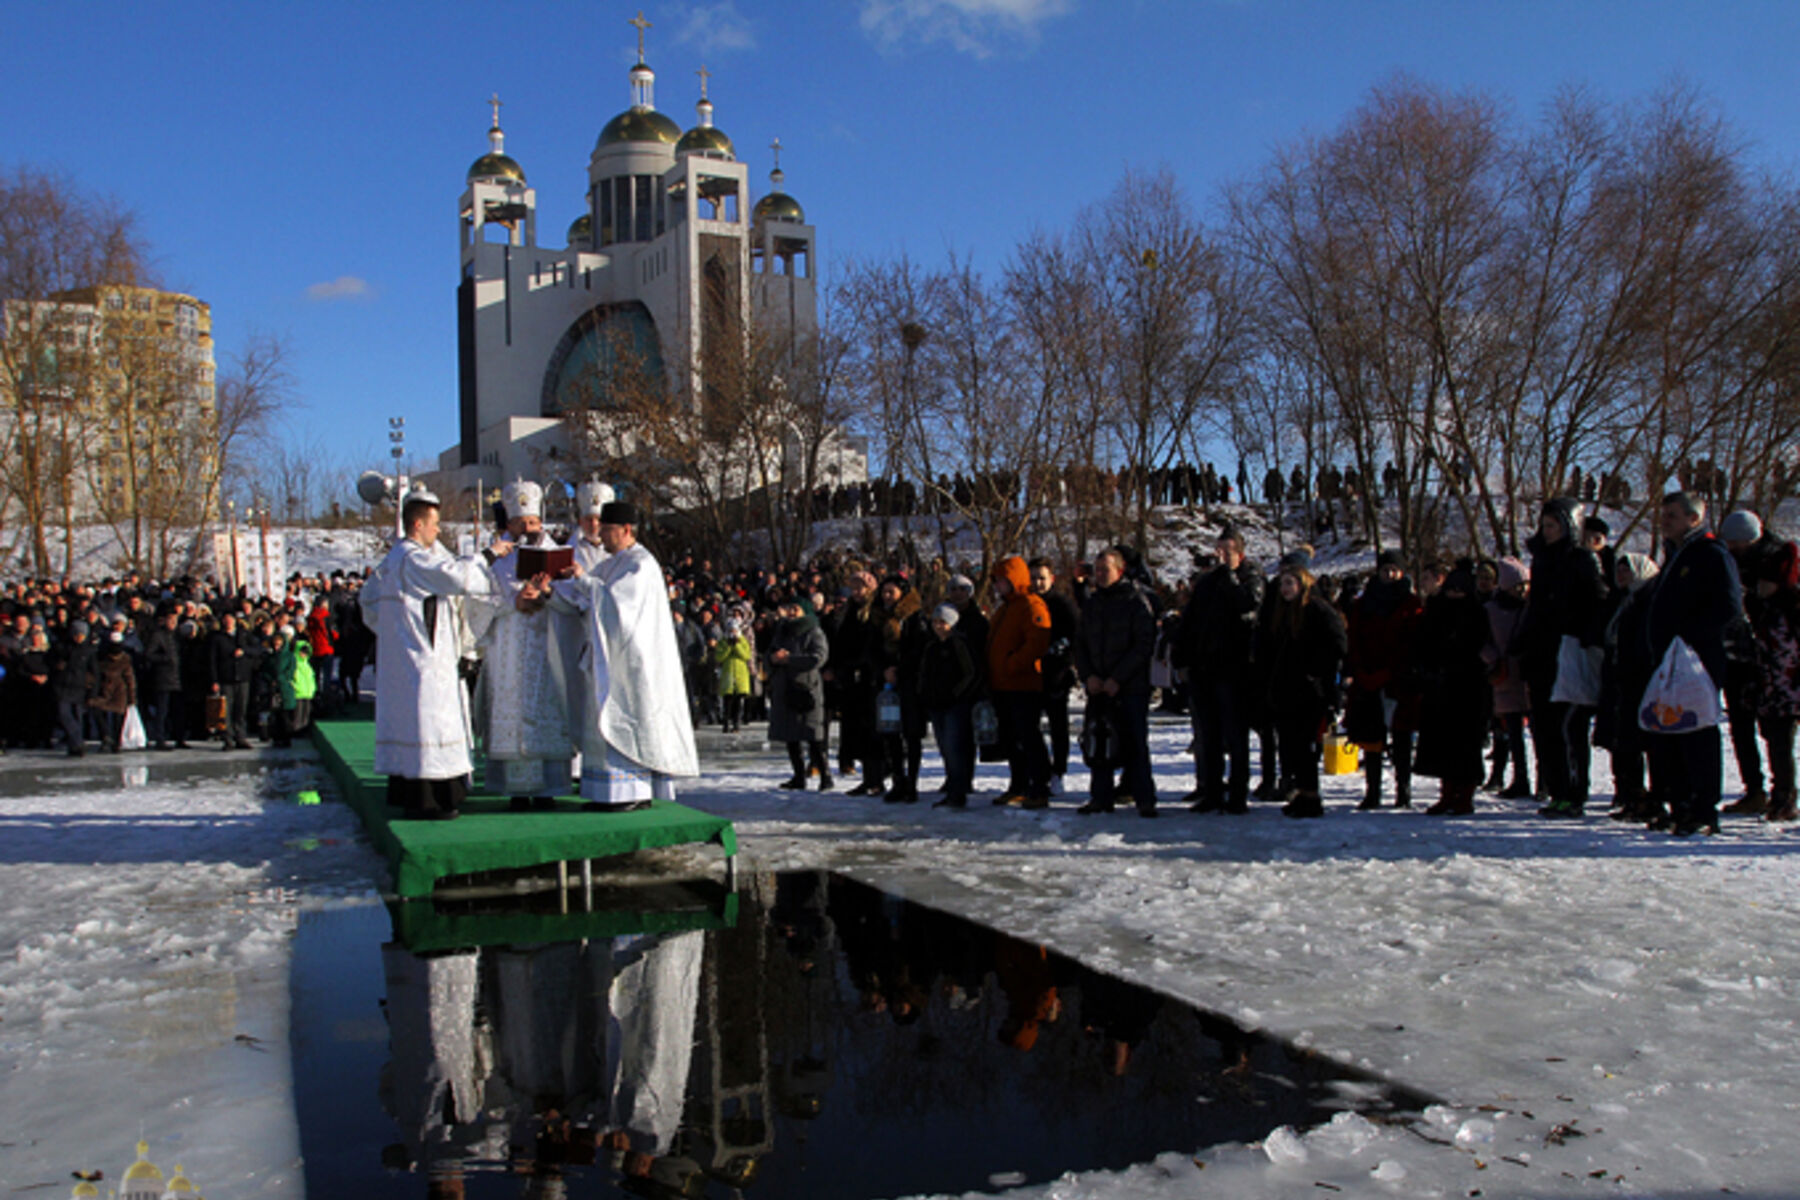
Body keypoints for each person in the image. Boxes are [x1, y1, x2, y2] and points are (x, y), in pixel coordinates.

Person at [360, 485, 500, 820]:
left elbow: (369, 604)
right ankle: (432, 800)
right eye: (435, 524)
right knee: (432, 727)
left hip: (403, 662)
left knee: (418, 726)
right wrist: (489, 555)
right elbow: (458, 577)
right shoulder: (412, 558)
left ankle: (417, 794)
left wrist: (395, 635)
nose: (438, 531)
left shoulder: (390, 562)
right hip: (424, 663)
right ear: (418, 524)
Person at [552, 500, 699, 811]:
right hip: (607, 659)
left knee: (628, 720)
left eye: (607, 530)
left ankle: (631, 791)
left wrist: (583, 581)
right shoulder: (608, 565)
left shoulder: (641, 565)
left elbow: (618, 608)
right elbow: (585, 603)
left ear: (626, 530)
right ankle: (605, 791)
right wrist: (551, 593)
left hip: (632, 664)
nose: (601, 536)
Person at [1643, 492, 1743, 837]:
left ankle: (1704, 807)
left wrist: (1689, 637)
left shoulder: (1711, 554)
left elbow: (1729, 606)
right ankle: (1679, 803)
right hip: (1669, 659)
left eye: (1672, 515)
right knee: (1669, 731)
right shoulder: (1674, 555)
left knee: (1697, 731)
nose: (1665, 520)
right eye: (1664, 514)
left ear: (1694, 519)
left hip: (1696, 659)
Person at [475, 479, 577, 811]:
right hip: (510, 648)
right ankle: (517, 789)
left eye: (532, 522)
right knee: (513, 711)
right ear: (510, 523)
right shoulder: (494, 558)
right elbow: (478, 601)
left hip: (548, 648)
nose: (527, 529)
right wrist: (512, 602)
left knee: (548, 709)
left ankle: (548, 788)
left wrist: (546, 593)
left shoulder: (556, 555)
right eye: (520, 523)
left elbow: (574, 602)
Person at [1518, 498, 1609, 817]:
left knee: (1568, 726)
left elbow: (1597, 601)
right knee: (1544, 727)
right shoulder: (1541, 560)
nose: (1547, 532)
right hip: (1542, 652)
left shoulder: (1581, 559)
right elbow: (1535, 607)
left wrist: (1585, 636)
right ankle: (1556, 790)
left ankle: (1574, 791)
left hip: (1570, 649)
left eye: (1553, 526)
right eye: (1544, 526)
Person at [1176, 529, 1263, 814]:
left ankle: (1237, 792)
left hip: (1234, 669)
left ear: (1240, 554)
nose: (1221, 557)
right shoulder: (1206, 583)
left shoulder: (1251, 578)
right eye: (1219, 551)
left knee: (1235, 734)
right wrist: (1181, 655)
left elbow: (1249, 605)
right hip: (1204, 667)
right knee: (1208, 734)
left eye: (1228, 552)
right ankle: (1211, 790)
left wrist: (1230, 577)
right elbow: (1190, 620)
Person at [1257, 562, 1348, 819]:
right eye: (1283, 583)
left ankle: (1311, 795)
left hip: (1310, 691)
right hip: (1285, 688)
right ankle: (1301, 792)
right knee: (1289, 745)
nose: (1285, 589)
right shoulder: (1282, 612)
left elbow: (1338, 644)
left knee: (1305, 745)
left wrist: (1316, 671)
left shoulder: (1317, 609)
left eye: (1290, 583)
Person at [1073, 549, 1158, 817]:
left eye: (1104, 570)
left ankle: (1144, 798)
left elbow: (1143, 645)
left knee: (1135, 742)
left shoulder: (1135, 601)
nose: (1099, 575)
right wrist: (1088, 676)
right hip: (1098, 685)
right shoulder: (1092, 603)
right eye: (1096, 570)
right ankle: (1100, 796)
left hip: (1129, 687)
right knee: (1099, 741)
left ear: (1119, 571)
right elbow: (1080, 644)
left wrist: (1117, 678)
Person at [1344, 550, 1423, 810]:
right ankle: (1373, 791)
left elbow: (1414, 641)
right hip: (1368, 675)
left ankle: (1404, 790)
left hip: (1400, 677)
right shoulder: (1365, 603)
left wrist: (1399, 669)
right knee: (1371, 737)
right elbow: (1354, 637)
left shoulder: (1411, 603)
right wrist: (1359, 669)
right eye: (1385, 570)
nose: (1389, 575)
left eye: (1394, 570)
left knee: (1401, 736)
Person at [1412, 567, 1493, 815]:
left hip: (1469, 687)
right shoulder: (1437, 610)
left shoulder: (1477, 612)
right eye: (1452, 589)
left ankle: (1465, 795)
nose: (1456, 594)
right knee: (1442, 744)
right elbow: (1424, 642)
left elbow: (1481, 646)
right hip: (1440, 685)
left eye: (1460, 590)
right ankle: (1447, 794)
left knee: (1466, 745)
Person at [1597, 554, 1661, 823]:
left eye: (1627, 570)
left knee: (1643, 742)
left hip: (1641, 678)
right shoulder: (1620, 601)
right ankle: (1628, 793)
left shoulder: (1649, 600)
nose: (1621, 575)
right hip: (1618, 677)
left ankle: (1650, 798)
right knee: (1621, 741)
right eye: (1619, 570)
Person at [987, 555, 1053, 808]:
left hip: (1023, 684)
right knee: (1012, 739)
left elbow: (1037, 643)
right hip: (1003, 684)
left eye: (1001, 581)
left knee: (1028, 737)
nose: (997, 586)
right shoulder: (1005, 608)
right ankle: (1019, 784)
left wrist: (1011, 665)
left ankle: (1038, 786)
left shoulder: (1031, 605)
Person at [1720, 510, 1775, 813]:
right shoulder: (1729, 561)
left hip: (1766, 656)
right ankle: (1754, 787)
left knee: (1772, 727)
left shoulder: (1775, 561)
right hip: (1737, 654)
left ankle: (1779, 790)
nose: (1735, 547)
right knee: (1741, 726)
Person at [1749, 537, 1800, 823]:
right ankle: (1782, 795)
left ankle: (1785, 797)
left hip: (1788, 687)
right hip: (1772, 688)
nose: (1760, 586)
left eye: (1765, 581)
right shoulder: (1765, 609)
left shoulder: (1791, 609)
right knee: (1777, 744)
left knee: (1781, 745)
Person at [765, 597, 832, 791]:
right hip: (784, 689)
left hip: (806, 689)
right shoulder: (781, 631)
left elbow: (818, 657)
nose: (791, 612)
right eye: (789, 608)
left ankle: (825, 775)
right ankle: (798, 776)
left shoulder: (814, 632)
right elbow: (770, 654)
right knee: (790, 735)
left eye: (795, 608)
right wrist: (772, 660)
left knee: (813, 735)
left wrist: (790, 659)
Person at [918, 603, 981, 808]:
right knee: (945, 747)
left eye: (942, 622)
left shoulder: (958, 644)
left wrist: (956, 694)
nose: (938, 626)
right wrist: (925, 694)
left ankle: (958, 790)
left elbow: (971, 673)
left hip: (955, 704)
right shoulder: (931, 646)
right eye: (935, 622)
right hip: (936, 704)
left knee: (956, 748)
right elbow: (925, 674)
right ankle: (952, 785)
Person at [874, 575, 930, 804]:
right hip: (888, 684)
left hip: (911, 684)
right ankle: (898, 780)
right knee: (891, 734)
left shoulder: (916, 617)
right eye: (884, 592)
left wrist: (900, 669)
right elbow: (872, 648)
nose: (887, 596)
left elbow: (920, 649)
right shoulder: (877, 617)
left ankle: (912, 782)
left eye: (892, 592)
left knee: (912, 735)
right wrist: (883, 670)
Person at [1480, 558, 1533, 798]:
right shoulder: (1491, 610)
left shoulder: (1530, 608)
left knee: (1539, 732)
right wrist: (1493, 659)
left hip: (1528, 674)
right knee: (1508, 731)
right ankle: (1517, 776)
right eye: (1518, 585)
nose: (1522, 591)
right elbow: (1481, 640)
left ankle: (1543, 781)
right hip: (1504, 675)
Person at [1029, 558, 1080, 791]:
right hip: (1030, 673)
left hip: (1056, 674)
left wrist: (1063, 659)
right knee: (1029, 726)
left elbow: (1076, 636)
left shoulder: (1062, 604)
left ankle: (1059, 770)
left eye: (1042, 578)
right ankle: (1038, 769)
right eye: (1033, 578)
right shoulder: (1026, 603)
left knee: (1058, 725)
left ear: (1052, 579)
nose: (1038, 583)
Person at [208, 611, 258, 750]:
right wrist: (214, 680)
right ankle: (228, 738)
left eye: (230, 619)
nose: (228, 621)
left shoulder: (244, 634)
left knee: (241, 709)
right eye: (225, 619)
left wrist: (244, 651)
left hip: (243, 677)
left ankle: (240, 736)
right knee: (226, 710)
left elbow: (257, 649)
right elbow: (212, 660)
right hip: (226, 678)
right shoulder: (217, 638)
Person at [51, 620, 97, 756]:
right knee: (64, 714)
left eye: (82, 635)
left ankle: (75, 746)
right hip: (63, 686)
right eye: (77, 634)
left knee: (78, 717)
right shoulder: (62, 647)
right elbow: (51, 661)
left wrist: (93, 690)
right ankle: (77, 741)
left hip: (79, 687)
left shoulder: (89, 651)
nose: (79, 637)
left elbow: (95, 672)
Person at [142, 606, 183, 751]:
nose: (173, 623)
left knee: (177, 710)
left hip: (177, 678)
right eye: (170, 620)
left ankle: (179, 738)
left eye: (175, 620)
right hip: (163, 678)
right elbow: (148, 654)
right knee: (162, 710)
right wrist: (165, 658)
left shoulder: (177, 636)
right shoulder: (158, 635)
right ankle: (160, 738)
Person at [90, 629, 138, 753]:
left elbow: (129, 678)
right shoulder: (101, 657)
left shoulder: (125, 659)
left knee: (118, 718)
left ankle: (114, 741)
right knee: (99, 712)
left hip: (118, 691)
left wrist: (132, 697)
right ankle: (107, 737)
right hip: (105, 690)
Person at [712, 619, 753, 734]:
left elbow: (746, 655)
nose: (733, 632)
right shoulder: (723, 642)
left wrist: (737, 645)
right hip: (728, 674)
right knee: (727, 702)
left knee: (738, 702)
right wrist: (729, 647)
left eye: (735, 630)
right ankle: (725, 724)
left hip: (740, 675)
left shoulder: (743, 641)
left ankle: (736, 724)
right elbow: (719, 657)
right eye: (731, 630)